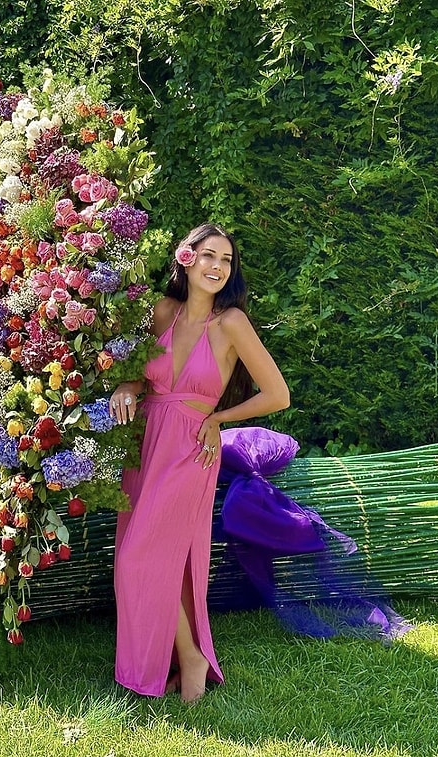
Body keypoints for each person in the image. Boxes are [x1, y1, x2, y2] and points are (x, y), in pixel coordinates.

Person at [109, 223, 290, 702]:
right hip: (145, 446)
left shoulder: (231, 323)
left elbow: (277, 395)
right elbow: (139, 376)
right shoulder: (161, 312)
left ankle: (190, 656)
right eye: (209, 255)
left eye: (226, 260)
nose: (217, 266)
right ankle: (183, 657)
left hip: (192, 447)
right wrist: (128, 386)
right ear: (185, 259)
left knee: (137, 559)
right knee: (149, 557)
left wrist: (219, 419)